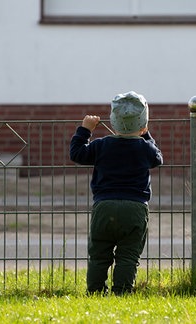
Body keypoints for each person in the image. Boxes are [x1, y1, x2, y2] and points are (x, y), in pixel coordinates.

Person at [70, 91, 163, 295]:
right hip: (135, 209)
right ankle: (122, 292)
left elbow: (76, 153)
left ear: (113, 122)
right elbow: (158, 158)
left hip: (105, 206)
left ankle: (94, 291)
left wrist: (85, 130)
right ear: (143, 124)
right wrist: (145, 134)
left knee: (99, 254)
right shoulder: (145, 148)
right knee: (128, 256)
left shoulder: (101, 145)